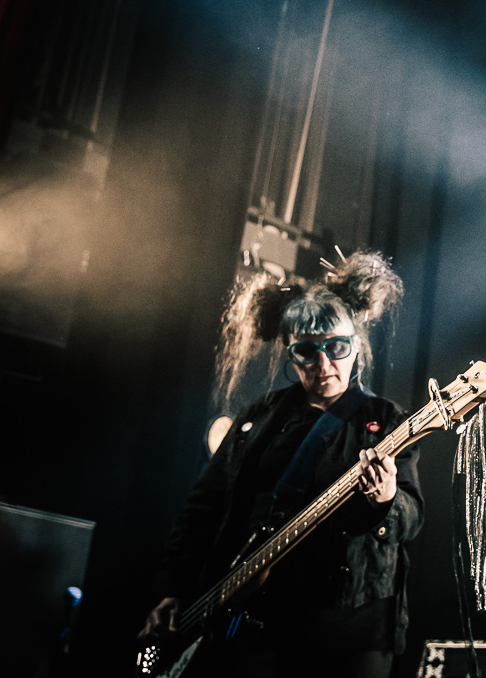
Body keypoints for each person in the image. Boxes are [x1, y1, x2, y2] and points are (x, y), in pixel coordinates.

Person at [139, 251, 422, 678]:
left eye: (337, 347)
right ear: (290, 355)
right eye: (307, 352)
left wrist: (386, 499)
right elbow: (203, 508)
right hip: (253, 622)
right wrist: (172, 590)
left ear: (356, 344)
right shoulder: (259, 416)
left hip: (346, 629)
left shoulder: (386, 421)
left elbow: (413, 516)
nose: (324, 364)